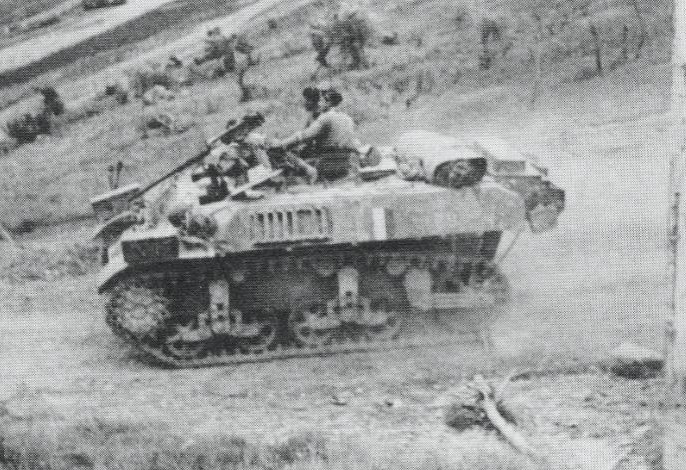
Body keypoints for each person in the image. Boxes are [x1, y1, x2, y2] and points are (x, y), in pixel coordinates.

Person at [272, 85, 360, 182]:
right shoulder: (347, 118)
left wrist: (281, 144)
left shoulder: (325, 118)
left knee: (288, 156)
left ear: (328, 102)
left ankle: (310, 174)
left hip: (328, 162)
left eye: (321, 100)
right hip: (347, 160)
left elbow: (303, 136)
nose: (318, 103)